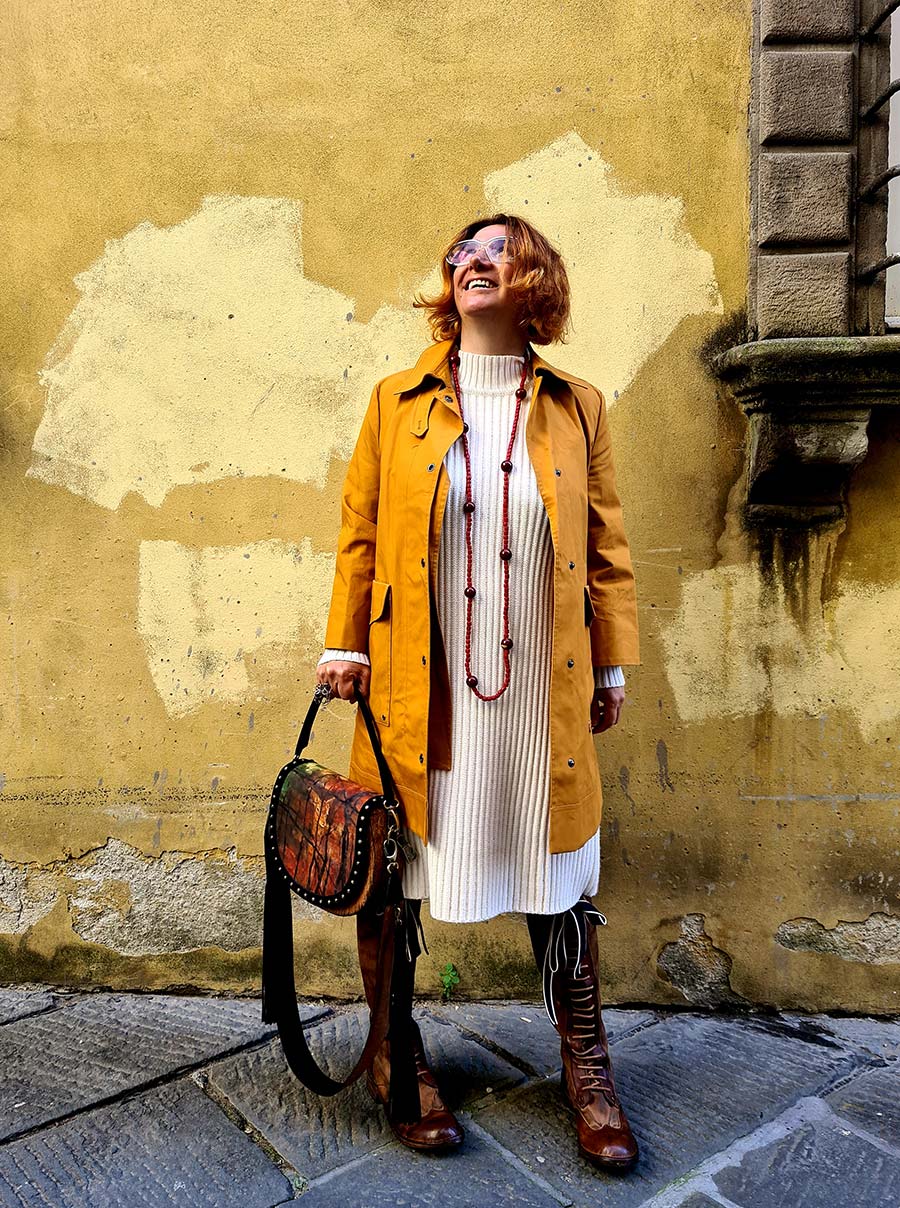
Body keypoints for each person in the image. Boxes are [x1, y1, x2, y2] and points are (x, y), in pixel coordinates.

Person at [315, 213, 640, 1170]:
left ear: (534, 278)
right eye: (463, 253)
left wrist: (612, 663)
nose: (474, 263)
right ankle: (396, 1054)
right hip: (424, 674)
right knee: (403, 863)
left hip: (542, 682)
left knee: (557, 865)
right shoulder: (395, 400)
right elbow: (361, 531)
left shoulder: (577, 406)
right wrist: (343, 645)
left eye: (499, 250)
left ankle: (588, 1067)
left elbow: (608, 548)